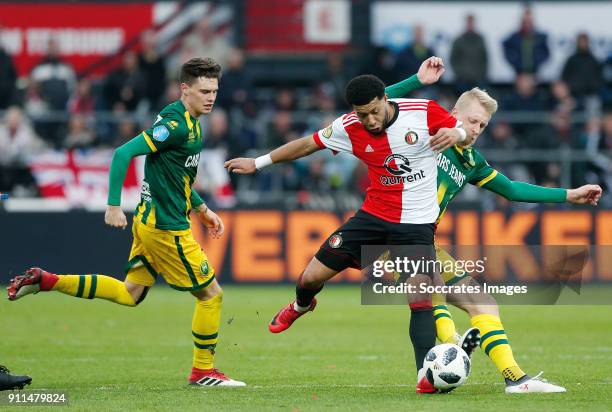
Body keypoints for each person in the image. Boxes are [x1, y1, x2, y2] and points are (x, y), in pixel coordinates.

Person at [225, 57, 474, 394]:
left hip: (416, 224)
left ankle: (423, 376)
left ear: (386, 99)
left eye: (374, 111)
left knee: (420, 299)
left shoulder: (423, 111)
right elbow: (306, 144)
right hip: (371, 217)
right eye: (362, 113)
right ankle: (301, 305)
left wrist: (455, 132)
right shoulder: (349, 126)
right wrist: (259, 162)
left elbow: (467, 133)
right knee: (310, 277)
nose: (369, 120)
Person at [7, 57, 245, 387]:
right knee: (211, 295)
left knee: (131, 293)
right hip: (166, 228)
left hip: (154, 221)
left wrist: (202, 209)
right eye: (204, 90)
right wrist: (113, 205)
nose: (211, 98)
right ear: (184, 89)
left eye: (215, 91)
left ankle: (47, 281)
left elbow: (177, 178)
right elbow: (122, 154)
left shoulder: (191, 121)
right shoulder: (175, 125)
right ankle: (203, 371)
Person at [385, 79, 602, 393]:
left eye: (482, 125)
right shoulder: (424, 132)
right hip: (390, 235)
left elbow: (512, 189)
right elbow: (377, 103)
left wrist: (569, 194)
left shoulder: (470, 162)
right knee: (432, 295)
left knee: (484, 304)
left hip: (426, 245)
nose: (475, 129)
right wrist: (417, 81)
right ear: (453, 113)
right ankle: (451, 346)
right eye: (472, 121)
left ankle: (515, 378)